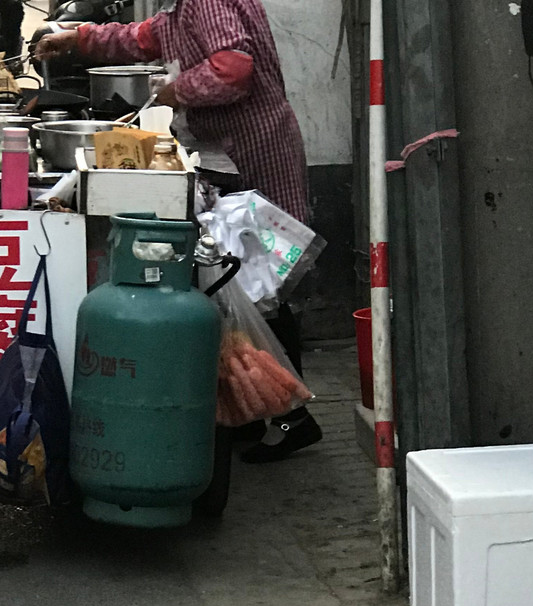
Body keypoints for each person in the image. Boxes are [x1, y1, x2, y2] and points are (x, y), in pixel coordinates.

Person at [34, 0, 322, 462]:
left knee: (262, 288)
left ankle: (293, 418)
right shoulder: (183, 8)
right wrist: (80, 38)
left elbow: (232, 67)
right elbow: (147, 35)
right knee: (238, 286)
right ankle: (259, 410)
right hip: (227, 152)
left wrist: (176, 91)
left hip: (254, 148)